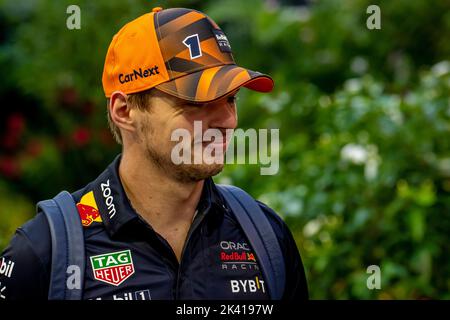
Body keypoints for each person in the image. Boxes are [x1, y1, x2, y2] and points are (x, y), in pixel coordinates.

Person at [0, 7, 308, 300]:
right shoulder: (46, 251)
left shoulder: (265, 236)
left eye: (231, 99)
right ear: (124, 111)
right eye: (196, 102)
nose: (227, 121)